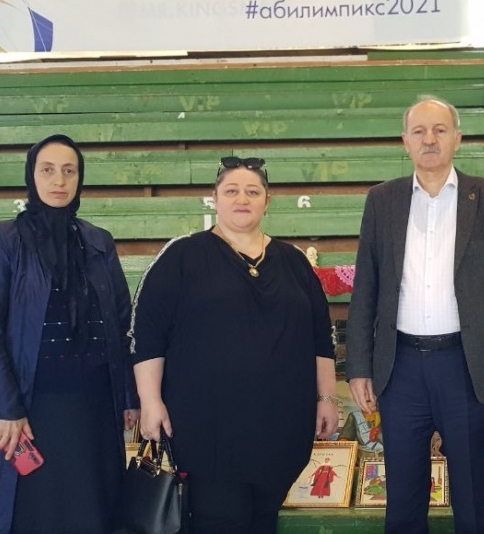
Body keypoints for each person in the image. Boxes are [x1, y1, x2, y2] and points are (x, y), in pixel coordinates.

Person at [346, 96, 484, 534]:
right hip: (400, 368)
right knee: (403, 504)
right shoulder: (382, 200)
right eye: (419, 131)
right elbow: (365, 288)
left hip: (466, 366)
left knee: (473, 501)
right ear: (405, 141)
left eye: (440, 130)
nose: (430, 139)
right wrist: (359, 366)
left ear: (457, 139)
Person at [130, 157, 338, 534]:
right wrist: (150, 401)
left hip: (281, 428)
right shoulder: (181, 255)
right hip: (207, 430)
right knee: (220, 520)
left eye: (252, 192)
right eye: (232, 191)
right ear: (214, 198)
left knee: (263, 521)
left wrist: (327, 398)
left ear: (267, 201)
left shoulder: (294, 262)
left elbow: (321, 336)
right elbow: (147, 333)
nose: (242, 199)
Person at [0, 134, 139, 533]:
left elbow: (120, 320)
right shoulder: (3, 240)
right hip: (30, 407)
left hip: (94, 409)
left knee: (93, 514)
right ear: (32, 175)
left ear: (80, 178)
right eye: (48, 170)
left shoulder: (98, 241)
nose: (59, 180)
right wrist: (7, 407)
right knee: (32, 515)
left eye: (69, 171)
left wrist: (129, 396)